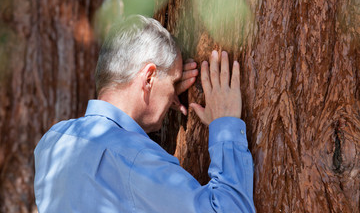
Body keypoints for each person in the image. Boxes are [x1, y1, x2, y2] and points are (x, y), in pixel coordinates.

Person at [34, 15, 256, 213]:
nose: (174, 94)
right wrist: (225, 125)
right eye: (174, 81)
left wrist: (154, 99)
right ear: (149, 78)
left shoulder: (53, 141)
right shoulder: (135, 159)